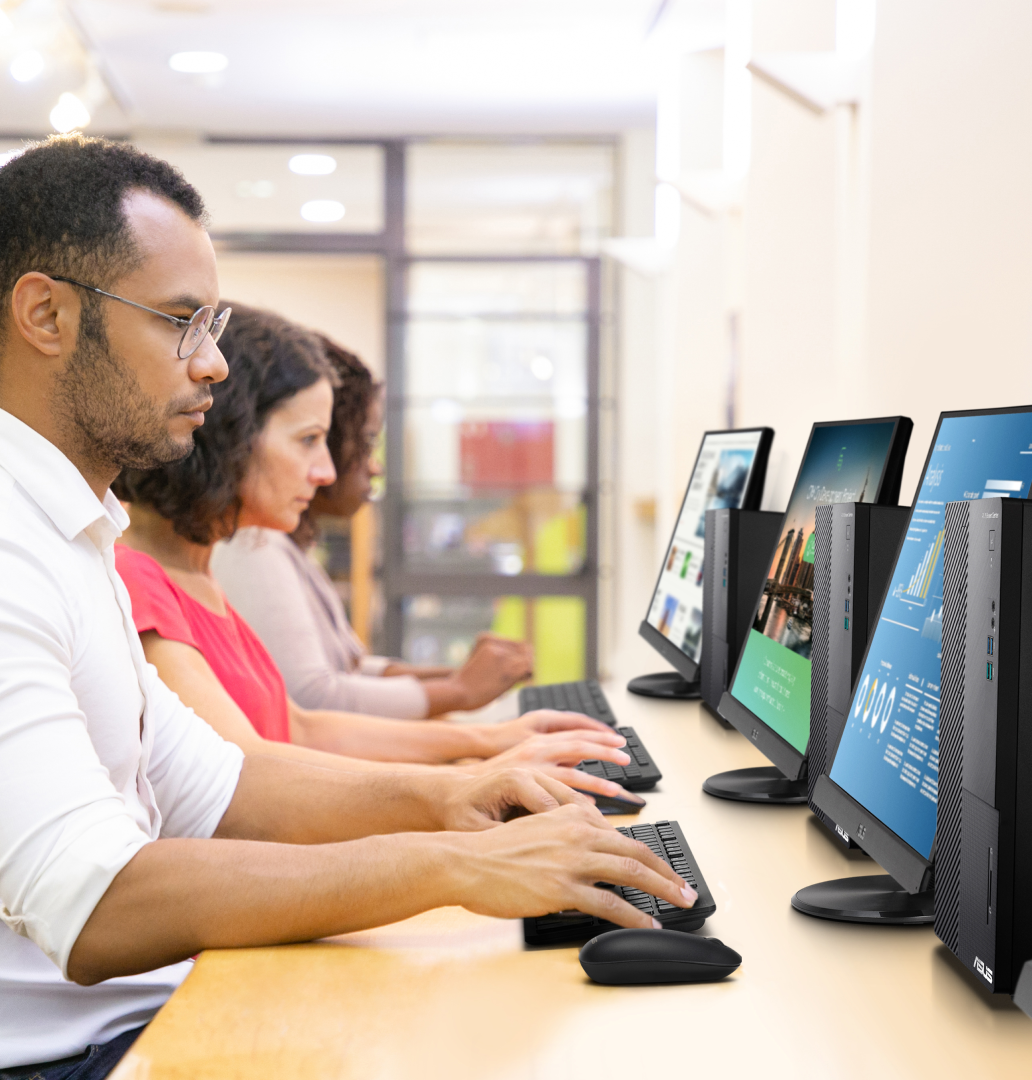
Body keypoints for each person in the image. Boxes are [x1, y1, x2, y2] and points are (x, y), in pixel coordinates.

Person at [0, 136, 694, 1076]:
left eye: (212, 325)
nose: (210, 365)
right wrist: (452, 864)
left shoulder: (70, 533)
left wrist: (457, 800)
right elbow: (96, 902)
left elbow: (225, 789)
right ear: (45, 313)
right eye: (177, 322)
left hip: (148, 1012)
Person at [113, 302, 638, 800]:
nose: (326, 472)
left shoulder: (200, 574)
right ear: (232, 437)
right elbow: (250, 782)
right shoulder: (147, 584)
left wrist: (492, 744)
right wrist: (471, 777)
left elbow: (303, 728)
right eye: (308, 440)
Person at [214, 335, 524, 719]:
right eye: (365, 442)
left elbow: (349, 667)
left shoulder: (284, 544)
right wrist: (459, 692)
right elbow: (311, 698)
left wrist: (463, 678)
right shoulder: (251, 545)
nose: (373, 465)